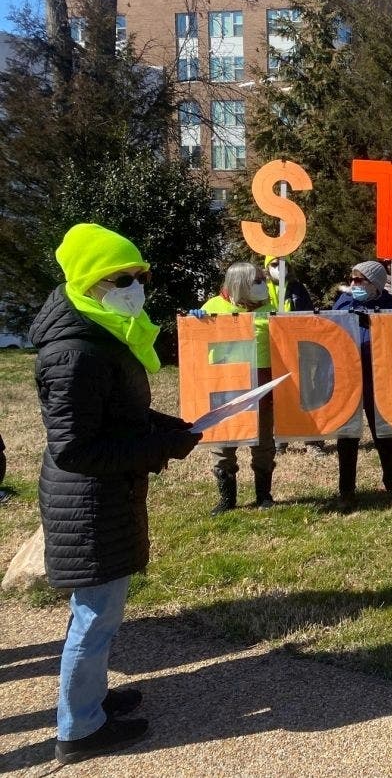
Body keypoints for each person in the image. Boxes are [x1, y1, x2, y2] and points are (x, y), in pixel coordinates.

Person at [30, 223, 200, 765]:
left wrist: (164, 426)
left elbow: (117, 413)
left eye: (141, 276)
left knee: (98, 611)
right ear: (88, 282)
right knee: (94, 615)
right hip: (87, 501)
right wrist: (159, 449)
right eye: (122, 278)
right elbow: (77, 448)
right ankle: (79, 729)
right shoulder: (75, 351)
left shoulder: (103, 330)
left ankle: (93, 701)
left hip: (102, 497)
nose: (136, 286)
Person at [197, 262, 277, 513]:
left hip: (261, 382)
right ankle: (227, 499)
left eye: (263, 279)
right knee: (224, 442)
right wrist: (196, 322)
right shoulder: (212, 307)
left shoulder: (271, 308)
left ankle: (264, 495)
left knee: (263, 441)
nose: (263, 284)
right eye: (257, 281)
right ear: (240, 283)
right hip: (225, 381)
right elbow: (196, 342)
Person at [332, 260, 392, 512]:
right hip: (349, 381)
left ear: (374, 284)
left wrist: (376, 324)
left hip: (379, 380)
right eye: (352, 279)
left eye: (359, 280)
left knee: (384, 436)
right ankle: (346, 492)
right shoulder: (343, 304)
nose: (353, 284)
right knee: (347, 438)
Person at [264, 254, 326, 458]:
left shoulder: (298, 288)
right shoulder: (260, 289)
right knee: (278, 396)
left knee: (306, 394)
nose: (279, 268)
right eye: (274, 264)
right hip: (273, 351)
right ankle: (280, 440)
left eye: (284, 264)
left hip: (299, 350)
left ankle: (313, 440)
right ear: (266, 266)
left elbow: (309, 316)